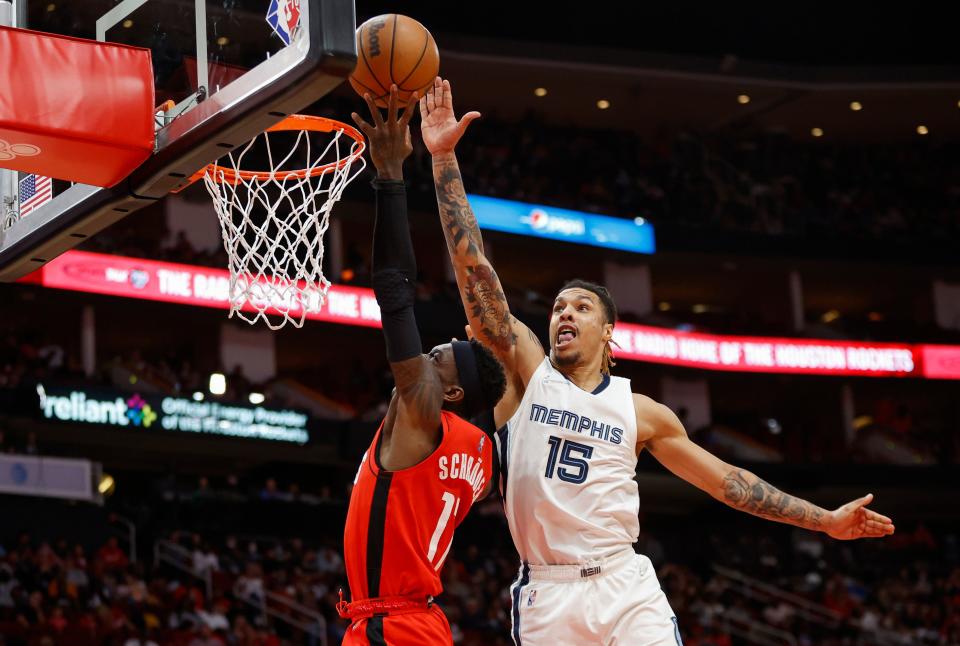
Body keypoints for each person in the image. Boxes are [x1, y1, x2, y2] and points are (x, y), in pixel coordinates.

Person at [419, 76, 896, 645]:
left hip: (625, 587)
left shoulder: (641, 411)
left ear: (608, 331)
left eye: (581, 306)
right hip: (548, 593)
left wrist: (825, 520)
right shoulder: (531, 371)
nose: (564, 314)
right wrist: (444, 160)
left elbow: (729, 483)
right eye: (557, 307)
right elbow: (477, 279)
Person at [338, 86, 508, 646]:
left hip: (395, 625)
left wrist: (390, 175)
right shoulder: (479, 454)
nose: (423, 355)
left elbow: (394, 291)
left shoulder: (422, 410)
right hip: (412, 621)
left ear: (450, 394)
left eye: (437, 359)